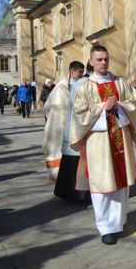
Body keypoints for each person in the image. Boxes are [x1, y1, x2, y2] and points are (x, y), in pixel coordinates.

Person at [70, 45, 136, 245]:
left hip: (120, 140)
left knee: (120, 181)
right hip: (98, 142)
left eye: (106, 59)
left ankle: (119, 221)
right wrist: (102, 108)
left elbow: (134, 103)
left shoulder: (121, 83)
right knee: (102, 183)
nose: (103, 63)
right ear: (91, 62)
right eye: (99, 59)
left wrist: (118, 106)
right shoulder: (85, 86)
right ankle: (106, 227)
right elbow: (80, 114)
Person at [43, 61, 90, 203]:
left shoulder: (84, 84)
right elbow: (49, 108)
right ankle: (68, 193)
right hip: (64, 130)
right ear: (71, 71)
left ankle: (82, 193)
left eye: (82, 73)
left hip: (80, 130)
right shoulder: (60, 89)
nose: (81, 75)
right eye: (78, 73)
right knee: (69, 165)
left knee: (81, 164)